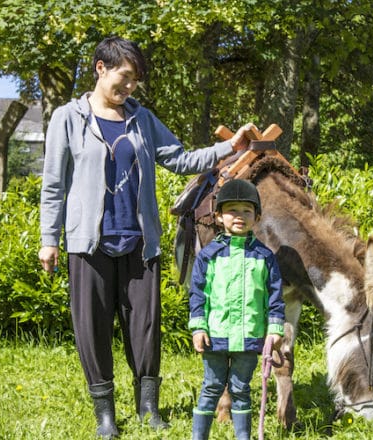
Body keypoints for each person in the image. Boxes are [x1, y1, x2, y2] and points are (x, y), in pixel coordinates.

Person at [38, 36, 257, 438]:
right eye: (124, 77)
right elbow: (53, 184)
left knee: (145, 327)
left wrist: (230, 147)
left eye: (135, 81)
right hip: (89, 243)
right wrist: (49, 239)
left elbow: (180, 159)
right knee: (93, 327)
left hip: (140, 242)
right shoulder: (67, 118)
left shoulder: (142, 119)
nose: (129, 88)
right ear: (100, 69)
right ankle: (105, 413)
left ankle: (148, 407)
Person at [188, 179, 285, 440]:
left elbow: (275, 296)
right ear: (218, 216)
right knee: (211, 387)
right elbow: (198, 293)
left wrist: (274, 329)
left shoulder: (265, 257)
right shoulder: (208, 255)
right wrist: (198, 327)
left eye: (246, 211)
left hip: (250, 337)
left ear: (257, 217)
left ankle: (243, 436)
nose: (239, 217)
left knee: (242, 389)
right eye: (232, 210)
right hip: (215, 336)